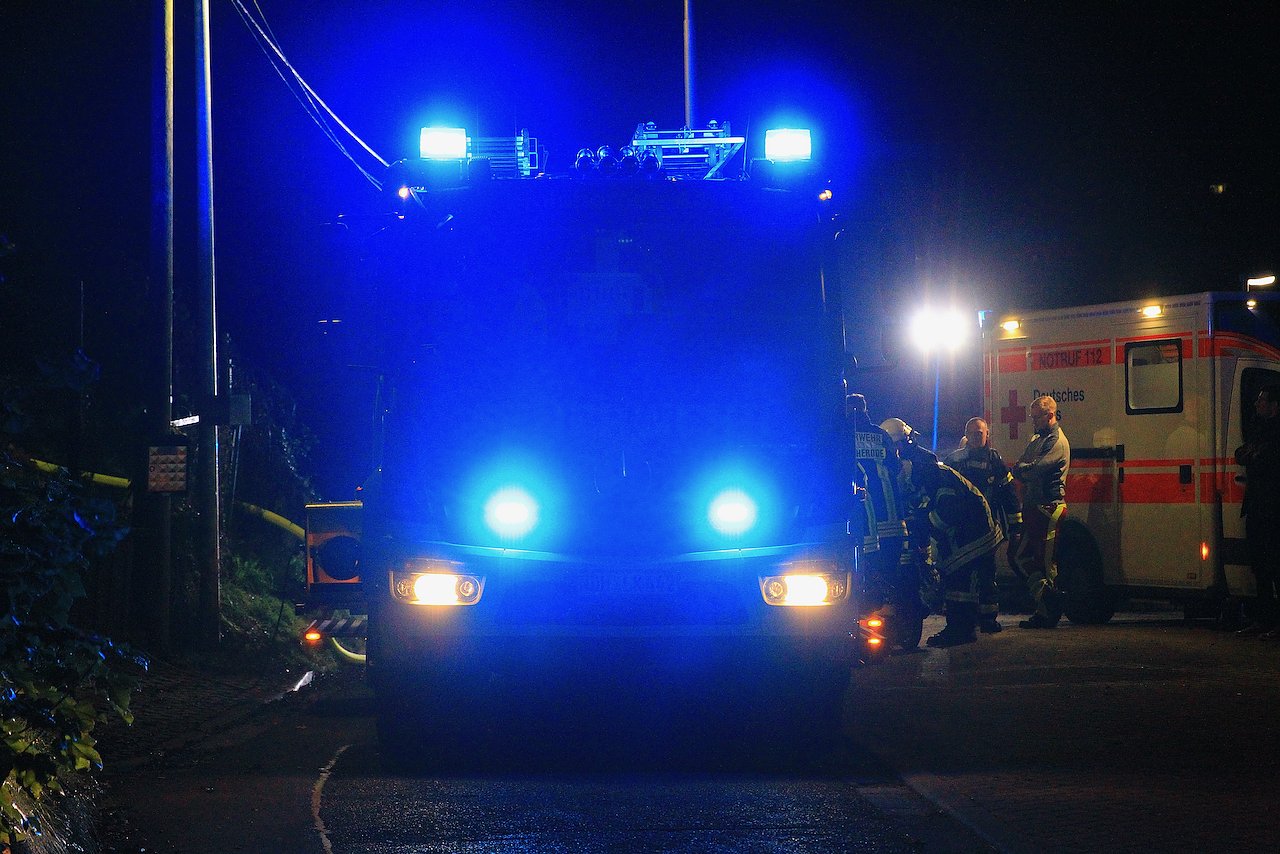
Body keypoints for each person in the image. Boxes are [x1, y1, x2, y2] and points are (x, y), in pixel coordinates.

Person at [900, 444, 1003, 647]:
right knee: (961, 581)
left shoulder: (937, 479)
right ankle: (963, 626)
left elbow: (947, 513)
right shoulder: (933, 475)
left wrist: (924, 524)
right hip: (975, 533)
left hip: (974, 536)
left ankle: (961, 631)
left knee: (959, 583)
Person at [845, 394, 917, 647]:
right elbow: (897, 470)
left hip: (866, 521)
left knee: (867, 575)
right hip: (892, 518)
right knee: (894, 575)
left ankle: (870, 629)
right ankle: (896, 631)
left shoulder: (844, 436)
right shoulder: (881, 435)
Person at [946, 417, 1023, 633]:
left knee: (987, 574)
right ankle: (966, 621)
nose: (975, 437)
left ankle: (988, 619)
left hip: (987, 529)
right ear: (965, 435)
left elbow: (1009, 495)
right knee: (962, 575)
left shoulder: (995, 461)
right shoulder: (954, 461)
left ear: (987, 434)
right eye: (971, 433)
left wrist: (1016, 527)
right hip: (961, 529)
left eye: (979, 433)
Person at [1011, 395, 1070, 629]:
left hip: (1049, 507)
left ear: (1050, 415)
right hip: (1035, 507)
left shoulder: (1057, 441)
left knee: (1046, 564)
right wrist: (1022, 468)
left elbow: (1032, 470)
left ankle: (1047, 612)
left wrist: (1022, 469)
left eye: (1036, 417)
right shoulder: (1038, 438)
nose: (1033, 422)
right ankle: (1048, 600)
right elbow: (1021, 465)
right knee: (1020, 556)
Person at [1233, 385, 1280, 639]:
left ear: (1274, 406)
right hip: (1257, 508)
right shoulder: (1259, 428)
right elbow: (1241, 454)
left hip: (1272, 509)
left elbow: (1264, 460)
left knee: (1274, 565)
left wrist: (1253, 454)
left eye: (1262, 400)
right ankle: (1264, 619)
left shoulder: (1274, 432)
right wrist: (1253, 454)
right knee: (1260, 566)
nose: (1256, 404)